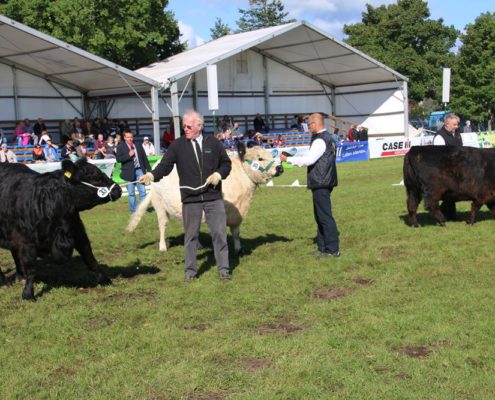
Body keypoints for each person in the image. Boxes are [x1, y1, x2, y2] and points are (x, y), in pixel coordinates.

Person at [139, 110, 232, 282]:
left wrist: (219, 174)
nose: (185, 129)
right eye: (184, 126)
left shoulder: (214, 143)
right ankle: (190, 272)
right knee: (190, 237)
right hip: (191, 199)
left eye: (189, 126)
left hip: (213, 198)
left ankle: (224, 270)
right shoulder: (177, 145)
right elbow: (165, 165)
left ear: (199, 126)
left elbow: (226, 164)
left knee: (219, 234)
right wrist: (152, 175)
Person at [280, 112, 340, 258]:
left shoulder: (320, 140)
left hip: (321, 181)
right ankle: (322, 247)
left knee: (324, 216)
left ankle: (332, 249)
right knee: (320, 216)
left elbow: (309, 160)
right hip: (324, 180)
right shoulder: (327, 137)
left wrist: (288, 160)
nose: (308, 127)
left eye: (309, 124)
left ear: (315, 123)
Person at [433, 113, 462, 220]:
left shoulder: (457, 134)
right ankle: (448, 213)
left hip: (458, 167)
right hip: (445, 169)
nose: (457, 127)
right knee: (450, 191)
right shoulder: (440, 136)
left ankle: (449, 213)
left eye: (457, 124)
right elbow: (440, 155)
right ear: (447, 124)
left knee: (454, 191)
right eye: (454, 124)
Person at [116, 129, 151, 213]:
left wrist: (149, 170)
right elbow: (118, 159)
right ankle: (134, 210)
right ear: (124, 138)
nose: (130, 139)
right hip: (128, 172)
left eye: (131, 137)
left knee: (142, 191)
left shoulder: (138, 145)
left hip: (139, 170)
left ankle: (142, 210)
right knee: (131, 193)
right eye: (128, 137)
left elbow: (144, 158)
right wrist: (128, 155)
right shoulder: (120, 146)